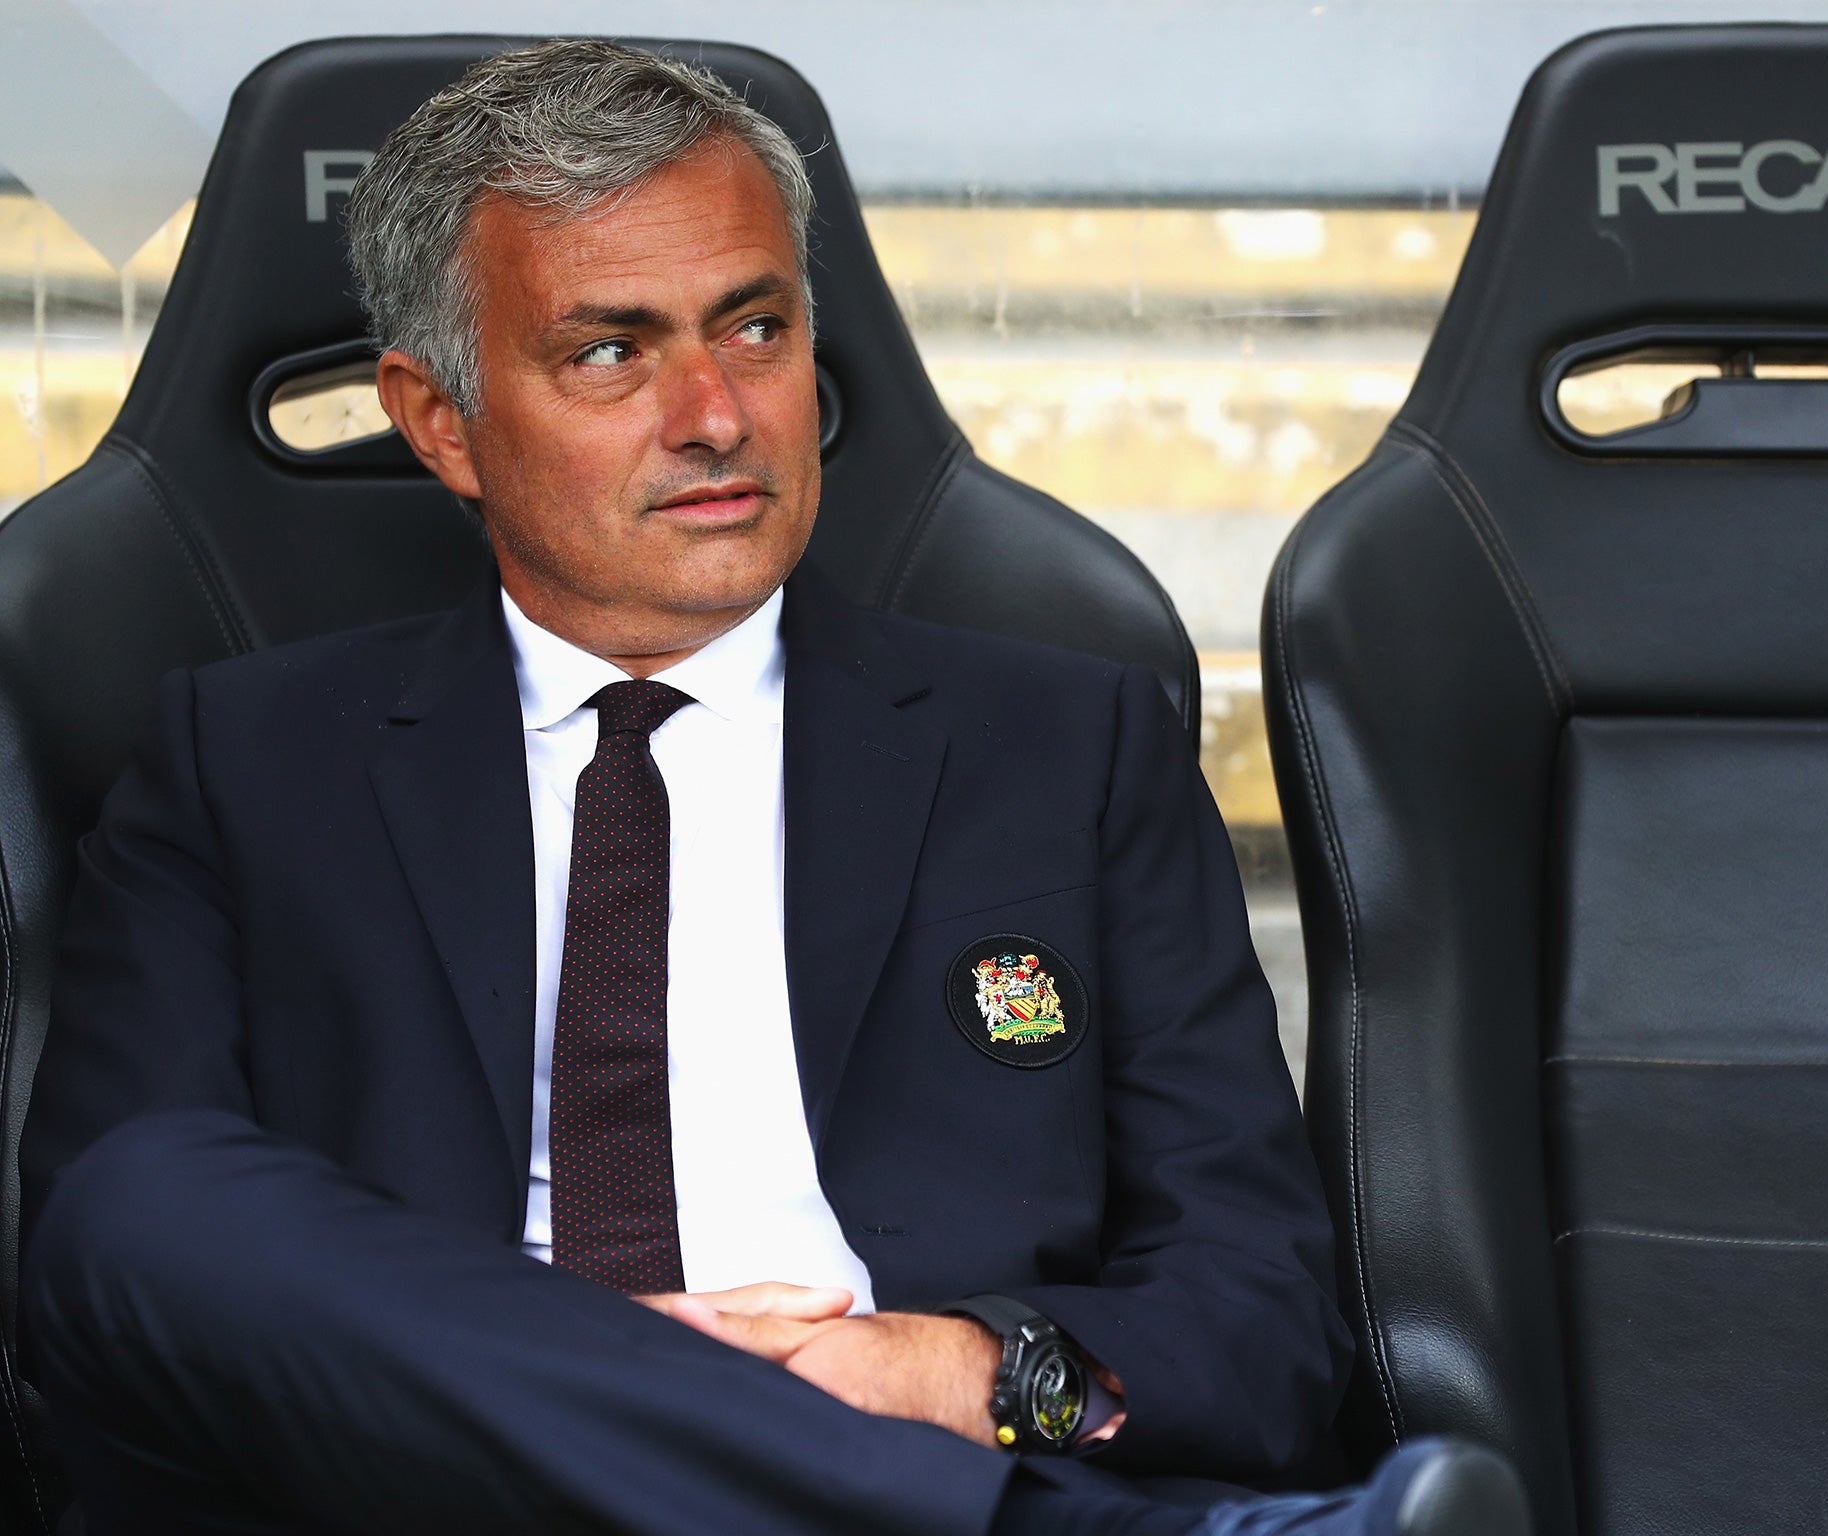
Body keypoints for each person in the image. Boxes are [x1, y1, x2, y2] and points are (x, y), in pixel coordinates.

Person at [16, 39, 1529, 1536]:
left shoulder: (1068, 750)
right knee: (143, 1197)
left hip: (930, 1455)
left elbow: (1261, 1309)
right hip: (431, 1495)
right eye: (610, 352)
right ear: (439, 422)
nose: (716, 415)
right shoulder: (244, 762)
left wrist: (962, 1372)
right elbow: (114, 1293)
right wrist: (619, 1389)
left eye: (752, 329)